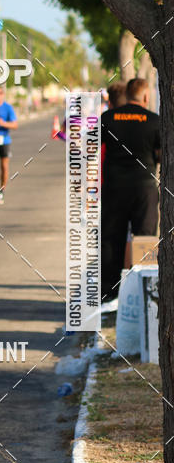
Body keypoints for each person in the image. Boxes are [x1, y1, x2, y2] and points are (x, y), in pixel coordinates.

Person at [100, 78, 160, 311]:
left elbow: (90, 147)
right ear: (145, 96)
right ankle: (144, 296)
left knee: (110, 240)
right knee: (144, 239)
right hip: (144, 188)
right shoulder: (154, 120)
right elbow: (162, 154)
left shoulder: (109, 118)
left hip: (115, 187)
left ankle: (109, 296)